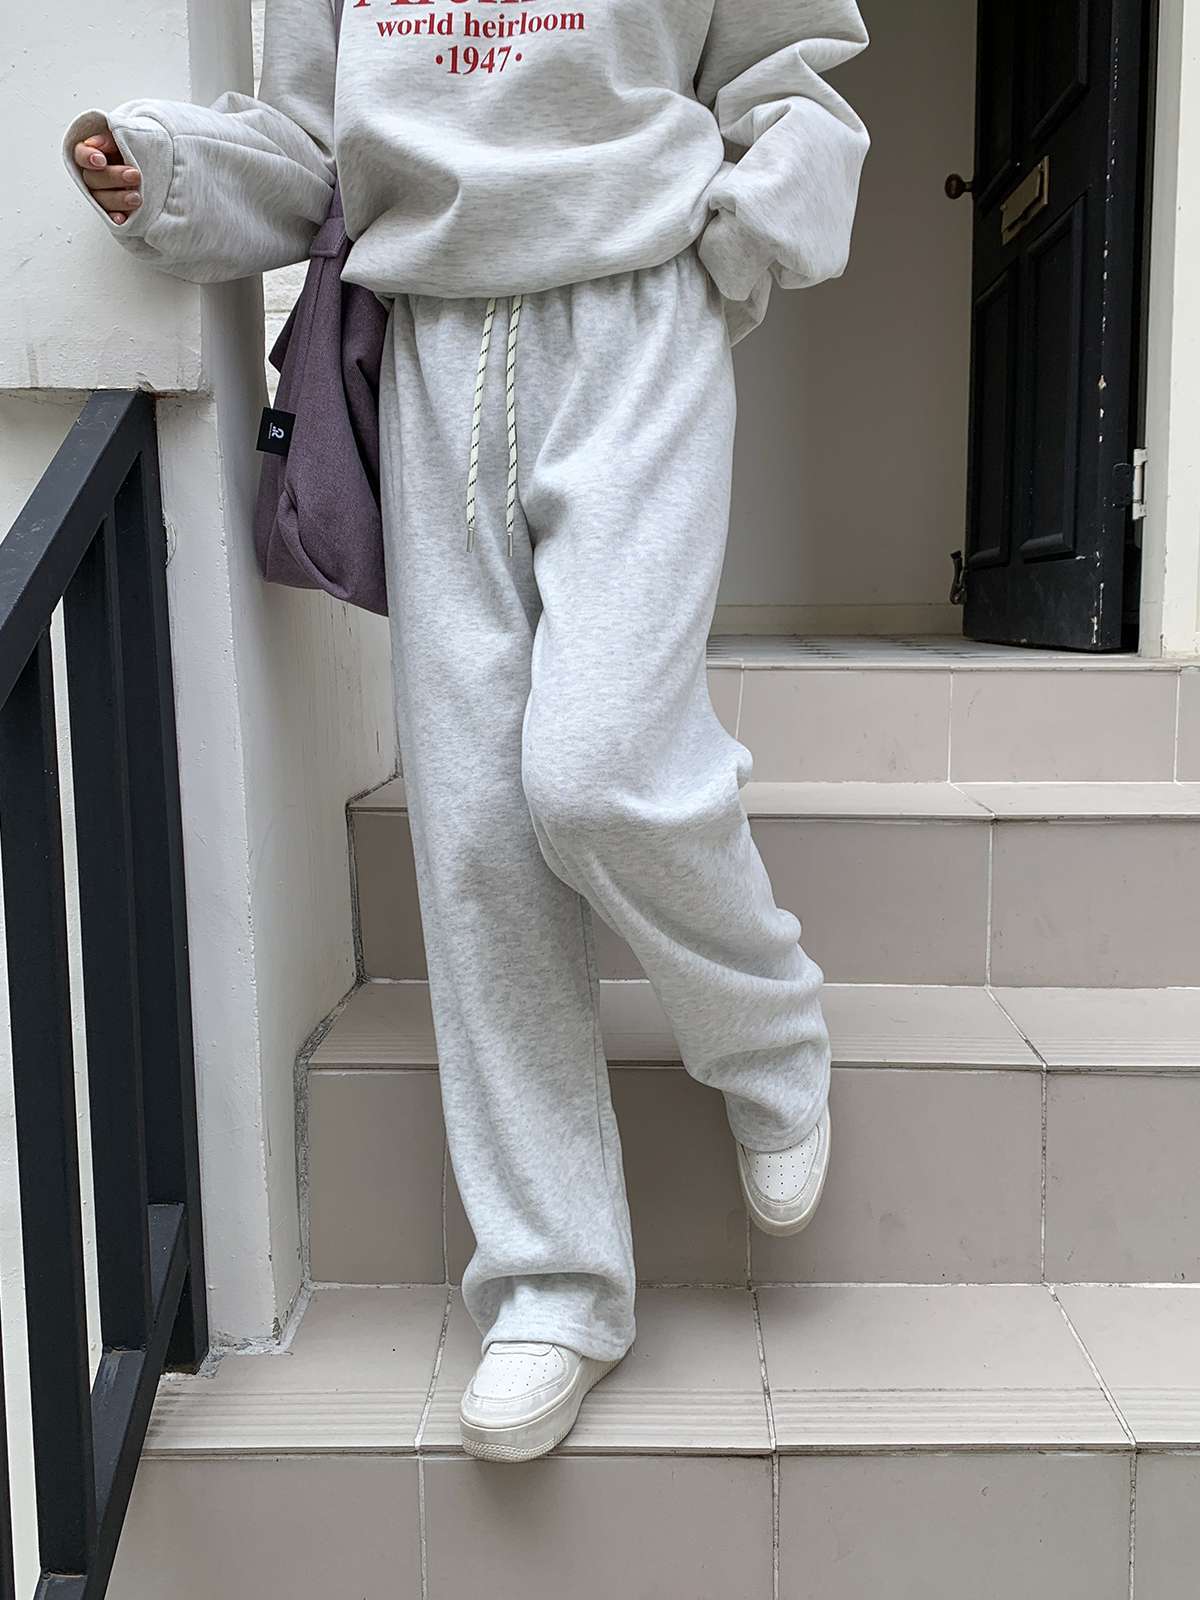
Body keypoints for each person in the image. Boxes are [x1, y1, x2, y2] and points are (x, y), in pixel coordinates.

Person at [63, 0, 869, 1464]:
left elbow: (792, 81)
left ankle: (766, 1030)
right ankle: (554, 1280)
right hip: (428, 347)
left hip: (636, 318)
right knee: (481, 838)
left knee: (600, 771)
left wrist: (736, 243)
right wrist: (167, 172)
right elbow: (309, 144)